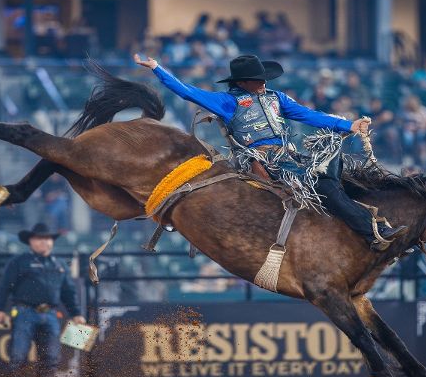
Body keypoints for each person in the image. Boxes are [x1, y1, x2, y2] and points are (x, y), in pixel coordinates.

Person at [134, 53, 408, 250]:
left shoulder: (277, 98)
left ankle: (354, 223)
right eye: (257, 79)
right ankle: (372, 233)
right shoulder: (228, 102)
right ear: (241, 82)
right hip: (262, 160)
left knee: (334, 170)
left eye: (263, 78)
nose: (263, 82)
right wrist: (158, 68)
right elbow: (187, 92)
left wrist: (349, 124)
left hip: (287, 156)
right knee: (326, 187)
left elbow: (307, 115)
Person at [0, 223, 86, 377]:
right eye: (39, 238)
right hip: (24, 312)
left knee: (51, 357)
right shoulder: (19, 262)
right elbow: (4, 287)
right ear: (31, 241)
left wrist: (76, 314)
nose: (44, 242)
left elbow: (69, 292)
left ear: (52, 242)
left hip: (50, 314)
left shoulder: (60, 265)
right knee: (18, 356)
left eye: (47, 238)